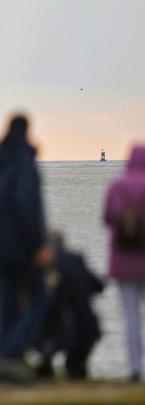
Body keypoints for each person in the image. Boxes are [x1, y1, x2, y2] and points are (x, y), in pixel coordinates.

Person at [0, 115, 51, 379]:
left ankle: (5, 361)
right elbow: (27, 203)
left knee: (7, 301)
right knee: (40, 296)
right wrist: (39, 243)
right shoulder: (23, 160)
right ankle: (10, 352)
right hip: (22, 247)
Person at [103, 144, 145, 381]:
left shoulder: (116, 187)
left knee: (131, 316)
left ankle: (134, 368)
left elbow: (107, 219)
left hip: (123, 263)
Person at [35, 232, 103, 380]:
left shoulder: (47, 268)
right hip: (89, 330)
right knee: (76, 368)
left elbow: (49, 304)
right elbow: (99, 286)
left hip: (63, 332)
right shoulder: (76, 260)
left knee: (54, 362)